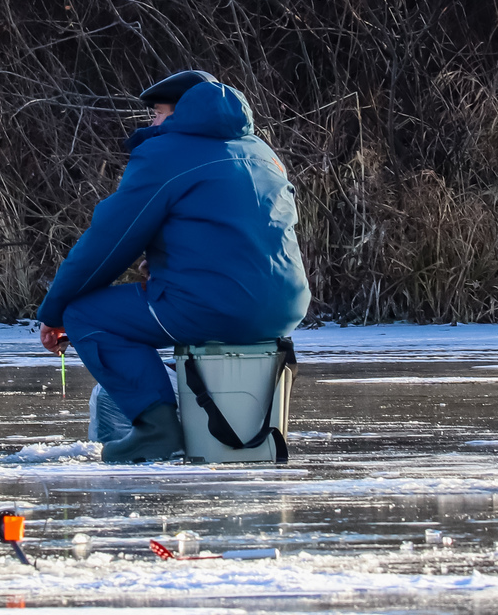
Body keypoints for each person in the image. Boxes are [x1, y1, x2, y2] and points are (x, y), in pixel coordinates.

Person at [36, 69, 310, 461]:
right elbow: (242, 231)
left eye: (156, 113)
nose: (151, 122)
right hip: (285, 307)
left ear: (180, 114)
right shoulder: (260, 151)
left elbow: (108, 242)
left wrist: (55, 311)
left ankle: (157, 429)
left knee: (88, 316)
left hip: (216, 305)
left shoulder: (166, 153)